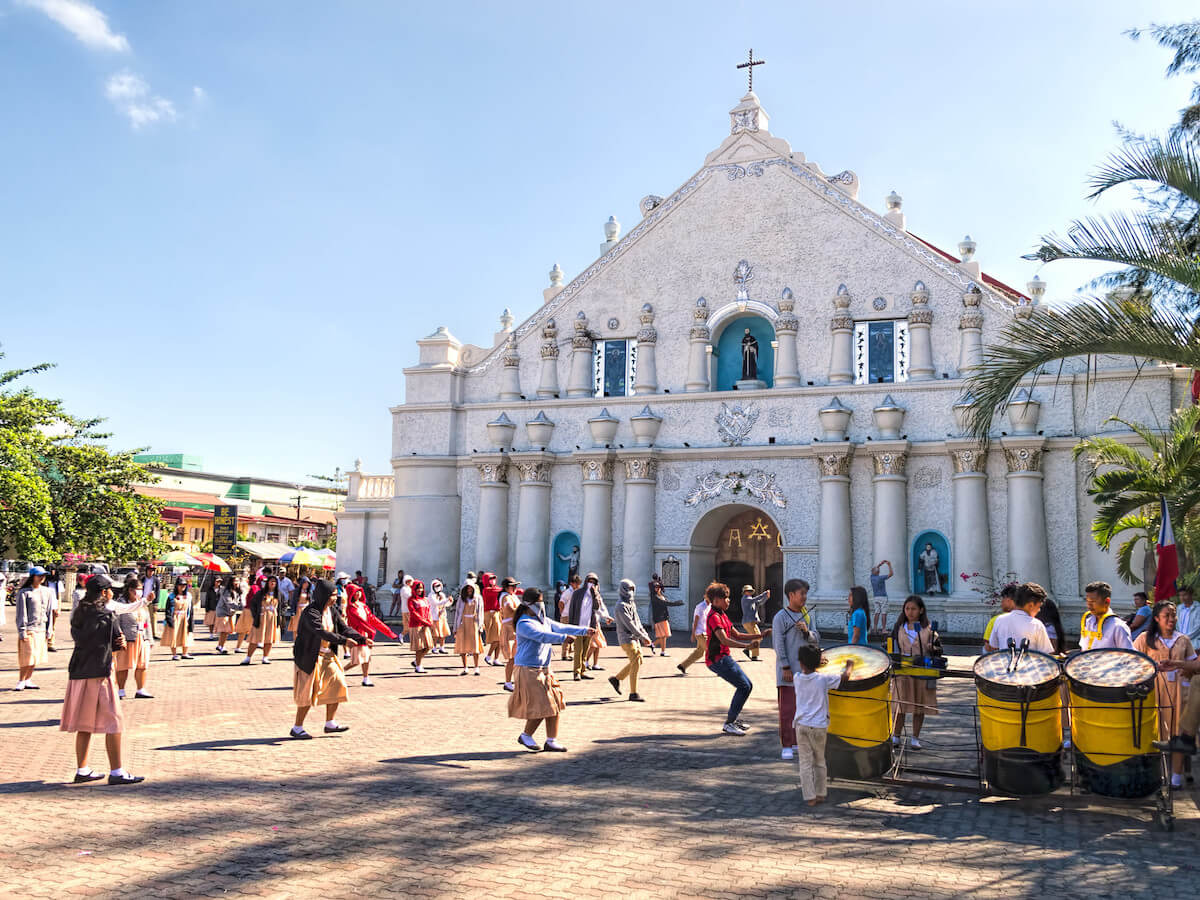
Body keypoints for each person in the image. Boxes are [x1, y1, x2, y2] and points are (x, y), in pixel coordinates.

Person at [60, 575, 145, 785]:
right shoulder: (108, 616)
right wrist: (122, 642)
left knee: (84, 724)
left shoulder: (78, 614)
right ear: (105, 593)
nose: (112, 594)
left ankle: (82, 769)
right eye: (110, 591)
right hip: (102, 672)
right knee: (114, 722)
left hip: (79, 672)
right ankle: (116, 772)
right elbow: (117, 647)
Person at [509, 587, 595, 752]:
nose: (542, 604)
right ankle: (526, 735)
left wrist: (584, 630)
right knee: (545, 705)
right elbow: (542, 636)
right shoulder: (524, 623)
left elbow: (562, 627)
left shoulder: (543, 620)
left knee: (554, 703)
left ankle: (551, 740)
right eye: (539, 601)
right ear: (529, 604)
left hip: (545, 668)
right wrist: (563, 639)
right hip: (529, 669)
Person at [290, 579, 363, 739]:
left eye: (336, 595)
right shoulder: (311, 612)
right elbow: (321, 632)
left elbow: (344, 628)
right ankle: (297, 727)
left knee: (338, 684)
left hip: (328, 656)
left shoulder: (332, 611)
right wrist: (344, 641)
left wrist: (361, 639)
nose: (336, 598)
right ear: (324, 595)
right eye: (333, 595)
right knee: (307, 693)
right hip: (310, 657)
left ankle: (330, 723)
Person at [1134, 600, 1196, 788]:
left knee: (1178, 732)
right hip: (1154, 691)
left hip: (1179, 691)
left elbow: (1194, 665)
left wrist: (1187, 671)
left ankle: (1175, 778)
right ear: (1156, 618)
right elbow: (1133, 662)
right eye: (1166, 615)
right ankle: (1156, 773)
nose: (1171, 619)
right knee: (1154, 731)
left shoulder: (1183, 639)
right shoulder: (1145, 638)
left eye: (1173, 615)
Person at [705, 582, 770, 735]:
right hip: (717, 660)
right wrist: (747, 647)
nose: (728, 601)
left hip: (724, 658)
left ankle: (732, 720)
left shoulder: (722, 614)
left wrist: (760, 635)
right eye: (725, 598)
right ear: (716, 600)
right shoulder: (714, 617)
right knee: (744, 686)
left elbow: (737, 634)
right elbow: (724, 640)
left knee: (746, 685)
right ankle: (729, 723)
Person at [792, 646, 854, 806]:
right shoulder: (824, 679)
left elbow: (809, 671)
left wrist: (816, 663)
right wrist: (850, 665)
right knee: (819, 760)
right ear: (818, 663)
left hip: (801, 725)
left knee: (805, 763)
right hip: (819, 727)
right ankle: (820, 793)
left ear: (800, 663)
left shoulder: (797, 677)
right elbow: (845, 677)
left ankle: (810, 797)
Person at [773, 578, 821, 760]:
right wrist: (785, 666)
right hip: (789, 672)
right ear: (791, 595)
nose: (805, 597)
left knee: (804, 710)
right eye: (802, 593)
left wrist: (806, 632)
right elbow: (778, 644)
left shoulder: (807, 615)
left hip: (807, 673)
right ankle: (786, 744)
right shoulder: (780, 617)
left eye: (806, 594)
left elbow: (816, 638)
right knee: (787, 710)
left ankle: (798, 743)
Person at [889, 595, 942, 750]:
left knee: (919, 706)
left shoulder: (930, 629)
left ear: (921, 610)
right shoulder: (898, 627)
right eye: (907, 609)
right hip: (902, 672)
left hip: (921, 672)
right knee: (900, 704)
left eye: (913, 609)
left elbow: (939, 650)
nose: (910, 612)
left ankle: (915, 738)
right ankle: (896, 736)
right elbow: (890, 646)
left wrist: (934, 648)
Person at [608, 578, 653, 702]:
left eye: (633, 589)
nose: (631, 592)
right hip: (626, 638)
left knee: (638, 661)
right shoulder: (620, 606)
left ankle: (616, 679)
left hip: (635, 637)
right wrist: (642, 637)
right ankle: (633, 693)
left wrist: (645, 635)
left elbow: (637, 621)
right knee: (636, 660)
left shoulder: (631, 603)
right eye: (629, 589)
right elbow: (630, 624)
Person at [345, 581, 397, 687]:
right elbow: (359, 622)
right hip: (357, 635)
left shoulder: (363, 606)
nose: (358, 594)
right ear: (351, 593)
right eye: (355, 592)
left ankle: (366, 678)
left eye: (359, 591)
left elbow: (372, 619)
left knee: (367, 658)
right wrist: (371, 632)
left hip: (366, 634)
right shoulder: (350, 608)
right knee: (357, 660)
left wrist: (388, 632)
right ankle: (340, 671)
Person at [15, 566, 55, 690]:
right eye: (39, 575)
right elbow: (21, 613)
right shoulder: (24, 592)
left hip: (42, 628)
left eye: (43, 575)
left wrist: (50, 630)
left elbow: (49, 612)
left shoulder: (48, 592)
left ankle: (28, 679)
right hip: (29, 628)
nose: (42, 578)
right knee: (27, 656)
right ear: (33, 576)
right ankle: (21, 680)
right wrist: (22, 631)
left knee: (37, 656)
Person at [113, 577, 152, 700]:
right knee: (123, 665)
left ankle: (140, 689)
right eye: (137, 589)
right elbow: (116, 621)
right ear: (130, 590)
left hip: (142, 636)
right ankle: (121, 690)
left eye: (141, 589)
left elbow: (148, 621)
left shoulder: (142, 603)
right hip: (128, 638)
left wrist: (149, 638)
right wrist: (120, 636)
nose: (139, 592)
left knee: (142, 665)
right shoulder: (122, 603)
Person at [988, 582, 1053, 656]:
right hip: (1029, 666)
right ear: (1031, 605)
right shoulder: (1036, 624)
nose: (1039, 610)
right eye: (1039, 607)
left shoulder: (1000, 620)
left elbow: (993, 647)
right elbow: (1046, 653)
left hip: (1005, 666)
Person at [567, 573, 605, 681]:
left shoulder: (595, 595)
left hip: (589, 626)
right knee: (578, 650)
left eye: (594, 582)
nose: (591, 584)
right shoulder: (577, 593)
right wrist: (570, 627)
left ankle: (583, 670)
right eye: (590, 581)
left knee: (585, 650)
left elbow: (597, 607)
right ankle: (576, 672)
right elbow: (572, 609)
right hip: (578, 626)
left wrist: (595, 594)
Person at [1080, 581, 1133, 650]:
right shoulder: (1088, 622)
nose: (1089, 605)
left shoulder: (1118, 627)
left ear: (1106, 602)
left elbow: (1128, 655)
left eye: (1093, 601)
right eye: (1087, 601)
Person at [243, 575, 282, 665]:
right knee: (255, 638)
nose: (273, 583)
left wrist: (280, 616)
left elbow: (282, 605)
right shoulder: (261, 593)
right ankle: (248, 657)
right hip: (262, 617)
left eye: (274, 582)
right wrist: (256, 614)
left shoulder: (278, 594)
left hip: (272, 618)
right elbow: (252, 604)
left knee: (269, 639)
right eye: (271, 581)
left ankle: (265, 657)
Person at [159, 577, 195, 661]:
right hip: (175, 617)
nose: (182, 587)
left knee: (185, 635)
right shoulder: (171, 596)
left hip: (185, 617)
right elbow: (168, 609)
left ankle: (185, 653)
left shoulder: (188, 596)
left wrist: (191, 621)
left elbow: (191, 609)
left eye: (184, 585)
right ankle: (174, 654)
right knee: (173, 635)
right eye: (180, 585)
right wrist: (169, 620)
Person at [649, 575, 683, 658]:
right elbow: (665, 603)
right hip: (659, 617)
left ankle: (653, 644)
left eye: (658, 587)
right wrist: (676, 604)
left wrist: (675, 602)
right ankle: (662, 651)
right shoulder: (654, 597)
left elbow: (667, 602)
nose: (657, 588)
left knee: (665, 634)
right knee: (663, 635)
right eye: (655, 587)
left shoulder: (662, 596)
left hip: (664, 617)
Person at [454, 583, 485, 675]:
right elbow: (458, 612)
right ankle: (465, 667)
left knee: (475, 646)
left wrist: (480, 625)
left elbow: (480, 611)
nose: (469, 590)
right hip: (463, 623)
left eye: (471, 588)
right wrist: (456, 626)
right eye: (467, 588)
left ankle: (476, 667)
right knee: (463, 646)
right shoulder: (461, 598)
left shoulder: (478, 598)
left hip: (474, 623)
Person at [677, 592, 710, 676]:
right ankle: (720, 669)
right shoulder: (700, 606)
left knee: (699, 652)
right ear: (705, 596)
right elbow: (695, 621)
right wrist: (693, 634)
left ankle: (683, 666)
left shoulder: (710, 606)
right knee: (710, 651)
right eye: (708, 596)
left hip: (705, 632)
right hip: (699, 633)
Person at [407, 579, 436, 673]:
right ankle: (418, 666)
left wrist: (429, 621)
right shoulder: (411, 600)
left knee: (428, 646)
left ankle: (416, 661)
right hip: (416, 626)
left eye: (421, 588)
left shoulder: (425, 599)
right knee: (419, 647)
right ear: (413, 589)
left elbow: (428, 612)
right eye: (418, 588)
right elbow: (413, 613)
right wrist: (424, 621)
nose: (420, 590)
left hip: (425, 625)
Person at [499, 578, 523, 691]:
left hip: (515, 627)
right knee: (511, 658)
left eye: (515, 586)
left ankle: (515, 681)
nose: (515, 588)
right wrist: (523, 610)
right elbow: (510, 609)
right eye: (512, 586)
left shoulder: (512, 596)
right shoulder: (506, 597)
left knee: (517, 657)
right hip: (509, 628)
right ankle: (508, 682)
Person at [982, 584, 1019, 653]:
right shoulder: (1033, 621)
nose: (1001, 603)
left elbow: (988, 647)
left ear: (1009, 600)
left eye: (1003, 599)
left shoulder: (996, 620)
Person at [738, 585, 771, 661]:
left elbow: (760, 602)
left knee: (758, 637)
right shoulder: (745, 599)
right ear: (744, 592)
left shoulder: (751, 600)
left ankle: (749, 650)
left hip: (752, 622)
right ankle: (753, 655)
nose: (749, 592)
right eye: (748, 591)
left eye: (750, 591)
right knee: (757, 637)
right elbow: (756, 599)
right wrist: (764, 593)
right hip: (748, 622)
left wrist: (766, 597)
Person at [215, 576, 246, 655]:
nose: (236, 583)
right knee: (224, 631)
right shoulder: (227, 591)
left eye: (238, 581)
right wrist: (241, 608)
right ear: (231, 582)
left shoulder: (238, 591)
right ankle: (221, 646)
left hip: (231, 613)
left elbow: (239, 601)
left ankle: (220, 645)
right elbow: (229, 603)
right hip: (223, 612)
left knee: (227, 631)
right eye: (235, 581)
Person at [480, 572, 503, 665]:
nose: (493, 580)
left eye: (494, 578)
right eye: (491, 579)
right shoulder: (487, 590)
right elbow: (498, 591)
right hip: (490, 614)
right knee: (496, 637)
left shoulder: (497, 589)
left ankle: (496, 658)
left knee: (500, 638)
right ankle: (489, 656)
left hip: (497, 613)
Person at [869, 560, 893, 635]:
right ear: (878, 572)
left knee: (877, 612)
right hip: (883, 597)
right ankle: (883, 629)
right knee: (884, 613)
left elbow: (873, 570)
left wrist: (880, 565)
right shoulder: (880, 578)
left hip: (875, 597)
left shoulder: (872, 577)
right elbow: (891, 574)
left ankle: (875, 628)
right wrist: (889, 565)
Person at [429, 579, 453, 654]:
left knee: (443, 633)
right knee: (435, 634)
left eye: (439, 586)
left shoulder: (442, 594)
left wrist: (450, 601)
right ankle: (434, 647)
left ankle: (442, 647)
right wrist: (446, 600)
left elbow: (445, 605)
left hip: (442, 616)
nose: (438, 587)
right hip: (435, 617)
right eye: (436, 586)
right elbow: (437, 603)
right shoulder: (431, 595)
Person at [141, 566, 161, 640]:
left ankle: (154, 633)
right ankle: (144, 632)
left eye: (152, 571)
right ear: (146, 571)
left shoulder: (156, 580)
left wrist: (156, 602)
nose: (151, 572)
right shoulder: (142, 579)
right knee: (143, 617)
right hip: (143, 600)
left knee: (153, 617)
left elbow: (158, 591)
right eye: (149, 570)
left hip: (152, 601)